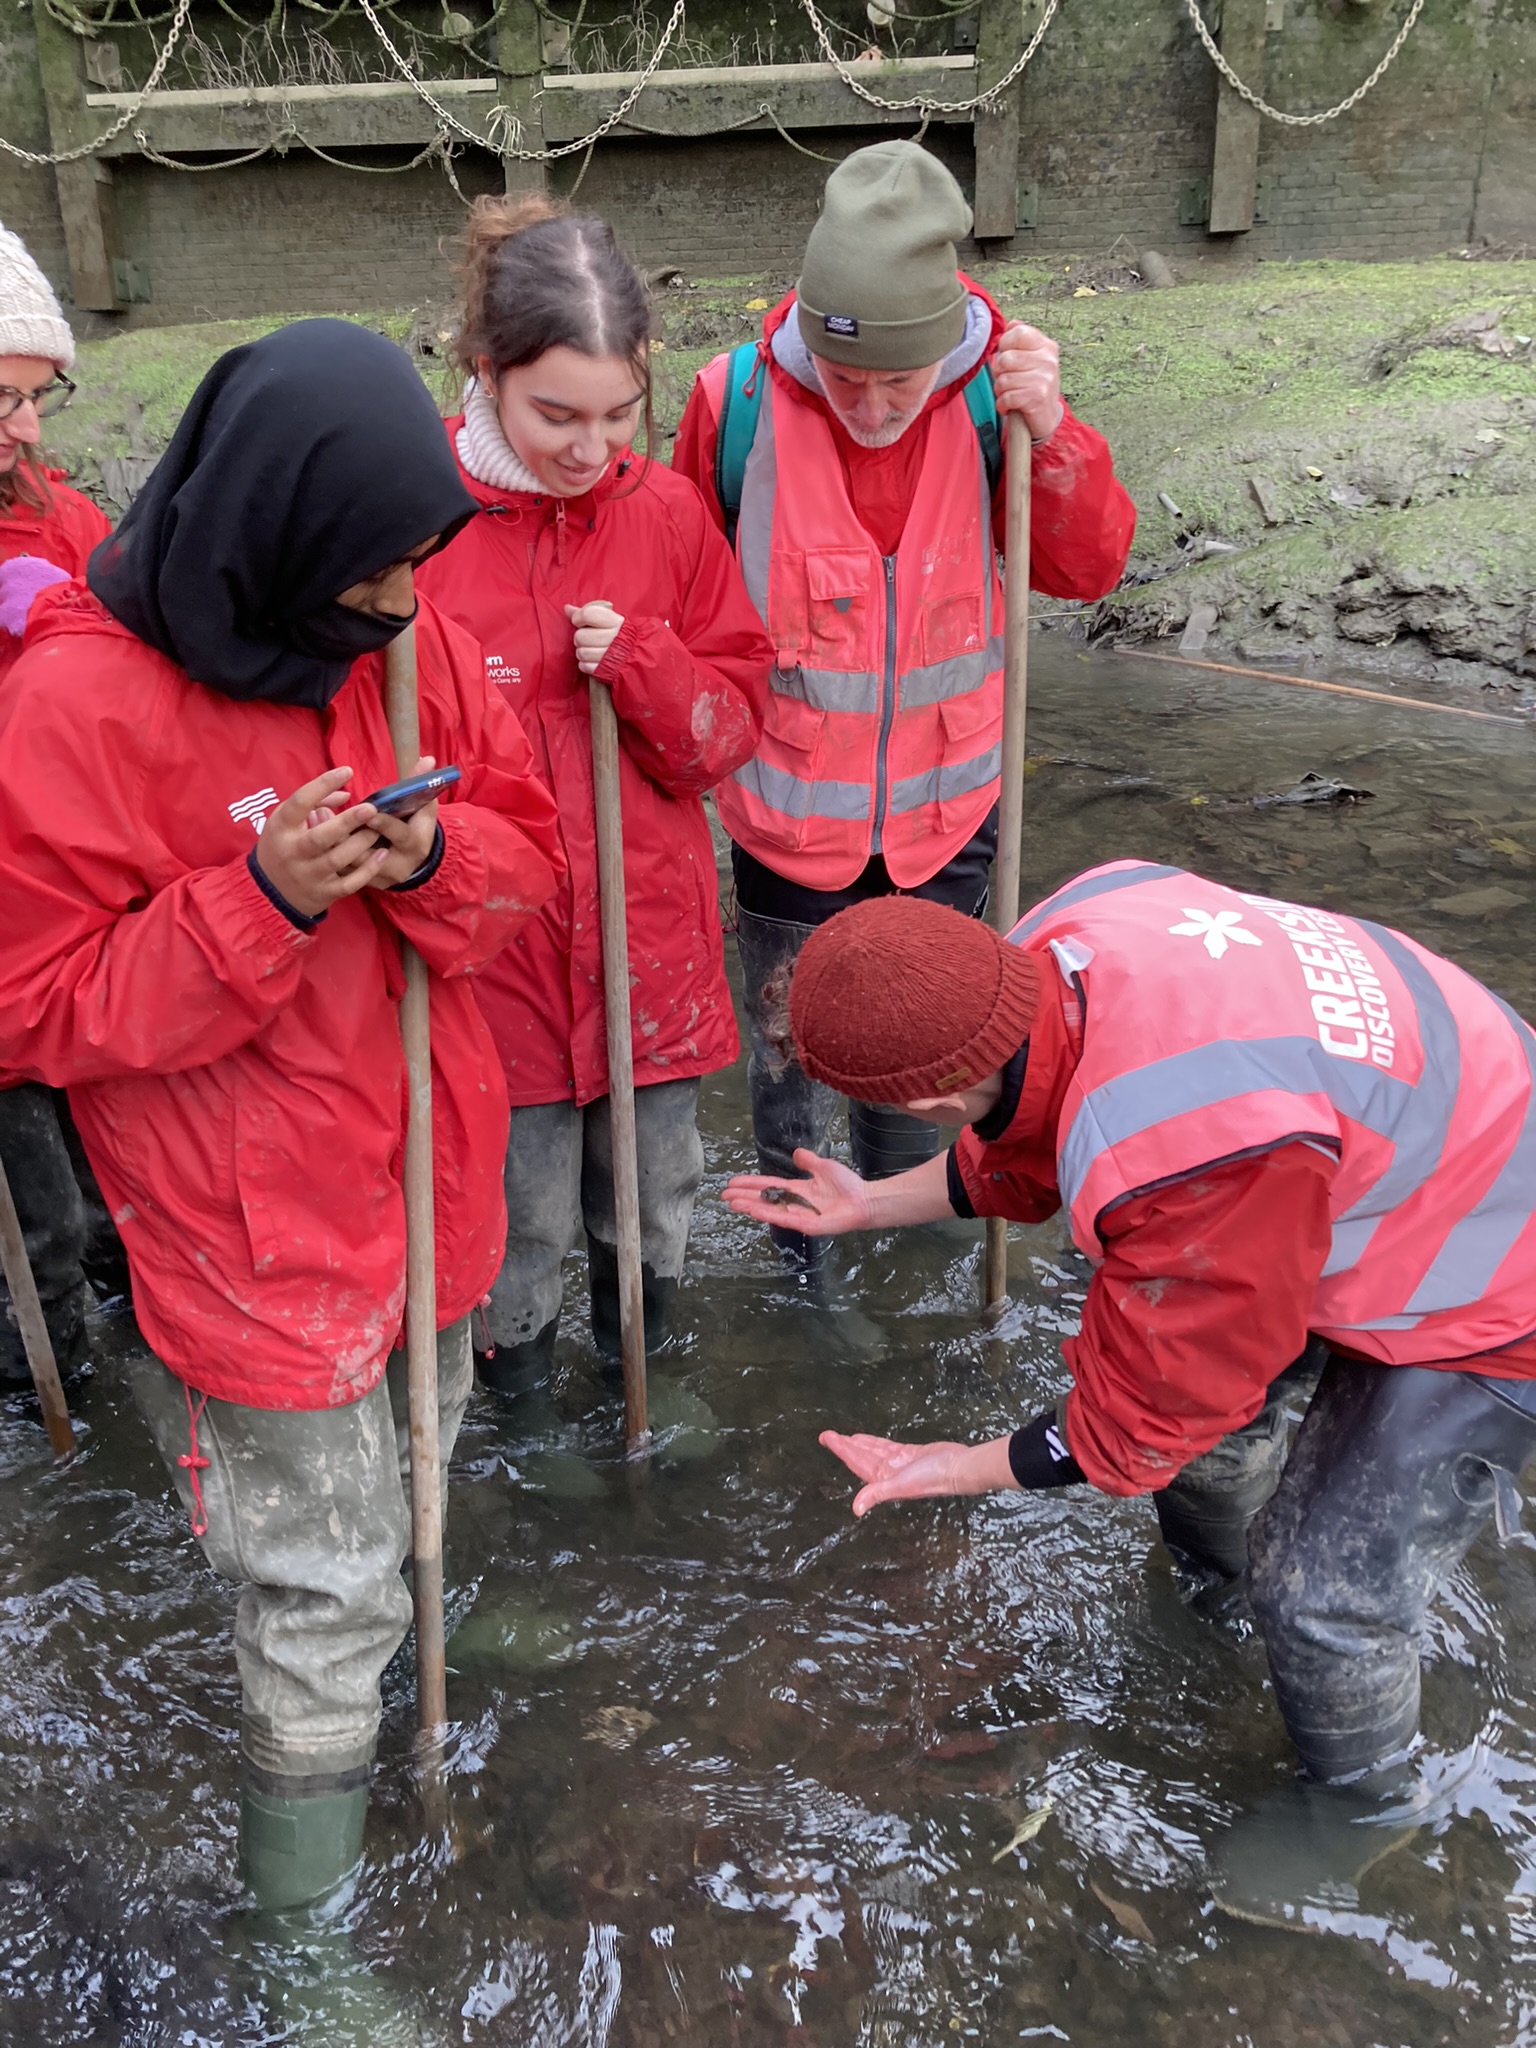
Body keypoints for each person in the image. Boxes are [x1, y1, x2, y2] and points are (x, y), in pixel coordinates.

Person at [0, 322, 563, 1970]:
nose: (397, 601)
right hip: (251, 1237)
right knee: (318, 1579)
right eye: (368, 570)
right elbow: (33, 1008)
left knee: (421, 1473)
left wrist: (435, 848)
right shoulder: (76, 707)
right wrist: (261, 904)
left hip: (428, 1179)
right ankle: (303, 1933)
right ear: (273, 536)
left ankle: (416, 1624)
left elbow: (524, 855)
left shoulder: (410, 641)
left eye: (413, 562)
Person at [723, 865, 1536, 1926]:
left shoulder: (1183, 1154)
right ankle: (1218, 1594)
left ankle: (1369, 1799)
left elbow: (1139, 1427)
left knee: (1320, 1584)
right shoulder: (1067, 930)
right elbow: (1029, 1129)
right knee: (1220, 1437)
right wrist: (872, 1200)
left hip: (1492, 1255)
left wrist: (952, 1465)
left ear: (921, 1099)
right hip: (1378, 1144)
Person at [674, 140, 1135, 1283]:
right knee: (790, 1060)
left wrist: (1057, 434)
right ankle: (803, 1275)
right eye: (848, 382)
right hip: (787, 824)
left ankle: (900, 1251)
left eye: (899, 382)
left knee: (927, 1061)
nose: (873, 408)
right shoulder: (728, 403)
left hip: (948, 810)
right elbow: (676, 591)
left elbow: (1087, 569)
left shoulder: (998, 401)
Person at [417, 195, 773, 1398]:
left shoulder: (665, 512)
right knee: (515, 1223)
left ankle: (645, 1385)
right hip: (491, 961)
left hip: (646, 946)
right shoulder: (417, 523)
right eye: (555, 414)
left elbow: (729, 730)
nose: (590, 446)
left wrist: (648, 664)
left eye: (620, 414)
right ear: (488, 376)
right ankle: (521, 1425)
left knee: (652, 1193)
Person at [0, 220, 119, 1394]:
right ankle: (50, 1412)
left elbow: (127, 646)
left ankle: (150, 1406)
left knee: (113, 1202)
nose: (28, 430)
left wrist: (71, 619)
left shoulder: (51, 507)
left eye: (39, 400)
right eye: (2, 402)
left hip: (71, 915)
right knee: (34, 1236)